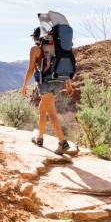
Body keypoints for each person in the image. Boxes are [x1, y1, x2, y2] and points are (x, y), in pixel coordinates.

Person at [21, 27, 74, 155]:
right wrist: (68, 84)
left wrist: (24, 86)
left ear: (36, 37)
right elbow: (63, 66)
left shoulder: (35, 49)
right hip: (58, 82)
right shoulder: (56, 47)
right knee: (42, 108)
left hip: (44, 84)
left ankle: (63, 143)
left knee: (51, 113)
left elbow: (30, 70)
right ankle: (40, 138)